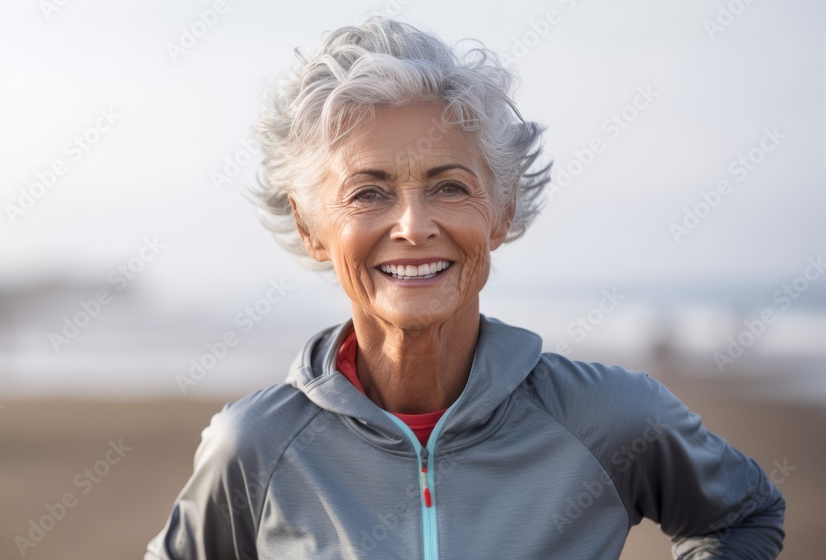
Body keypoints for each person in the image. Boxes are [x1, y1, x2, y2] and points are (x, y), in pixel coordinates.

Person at [145, 17, 785, 559]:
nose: (414, 226)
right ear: (312, 229)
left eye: (449, 186)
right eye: (368, 193)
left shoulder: (608, 417)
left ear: (501, 211)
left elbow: (744, 514)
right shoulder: (254, 447)